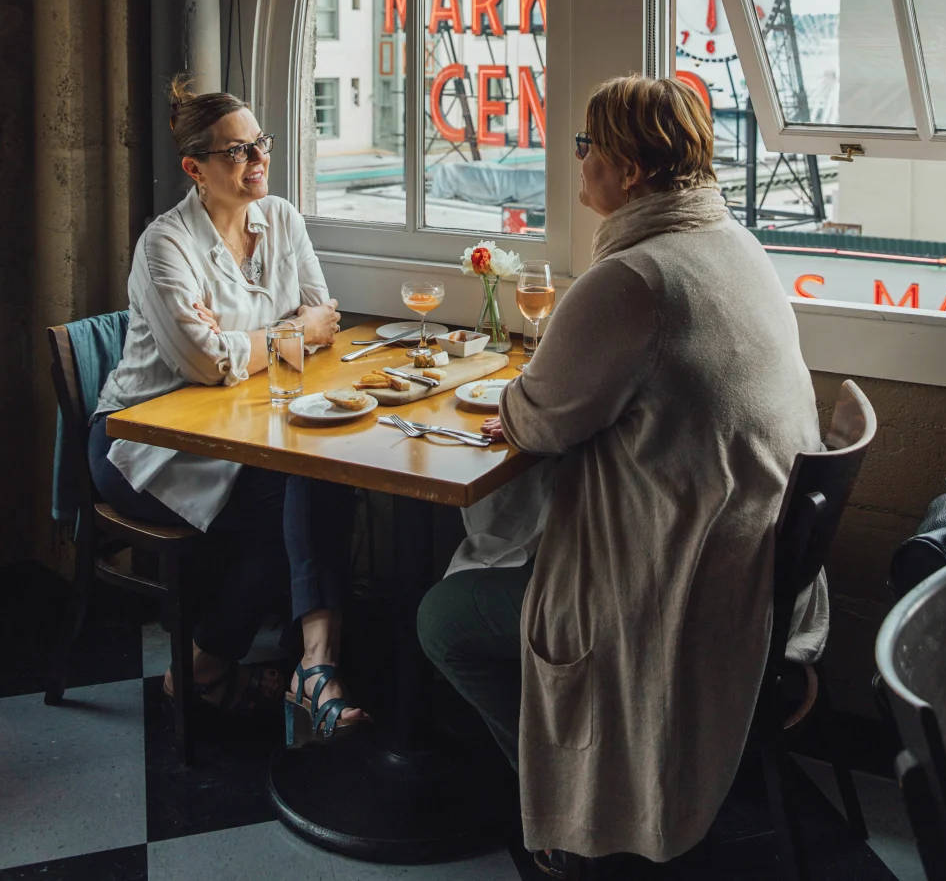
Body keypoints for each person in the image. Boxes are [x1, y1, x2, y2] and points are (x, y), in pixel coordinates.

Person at [418, 75, 827, 875]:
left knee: (443, 618)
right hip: (750, 565)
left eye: (585, 148)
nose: (578, 164)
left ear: (628, 170)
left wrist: (514, 394)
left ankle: (568, 817)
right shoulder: (733, 244)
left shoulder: (633, 279)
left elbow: (537, 419)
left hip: (668, 586)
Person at [90, 78, 367, 740]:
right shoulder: (166, 245)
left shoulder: (284, 220)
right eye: (237, 152)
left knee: (326, 477)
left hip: (239, 421)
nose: (258, 160)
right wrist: (277, 334)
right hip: (142, 439)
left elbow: (324, 316)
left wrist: (239, 341)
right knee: (286, 511)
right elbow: (204, 364)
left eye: (259, 144)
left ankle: (313, 666)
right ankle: (205, 669)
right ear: (196, 168)